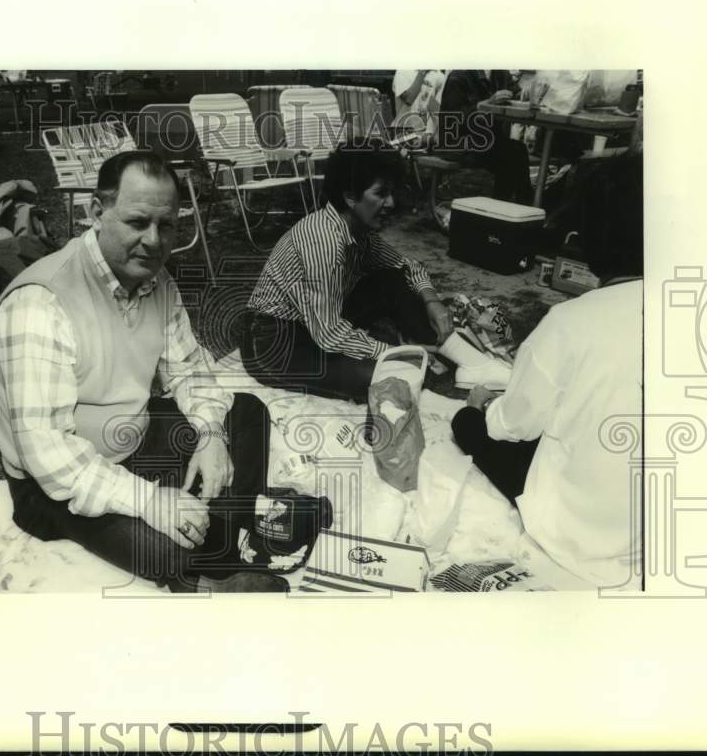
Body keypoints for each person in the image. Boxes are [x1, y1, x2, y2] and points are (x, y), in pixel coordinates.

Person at [0, 151, 275, 593]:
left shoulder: (157, 281)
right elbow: (46, 452)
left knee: (245, 413)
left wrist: (211, 437)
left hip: (132, 437)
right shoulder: (40, 300)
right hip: (51, 483)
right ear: (96, 213)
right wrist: (149, 501)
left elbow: (189, 372)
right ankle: (213, 551)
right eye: (137, 222)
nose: (154, 240)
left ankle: (218, 551)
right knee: (166, 550)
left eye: (167, 225)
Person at [451, 155, 644, 588]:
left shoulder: (570, 323)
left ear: (587, 237)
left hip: (578, 530)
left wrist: (482, 408)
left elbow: (511, 426)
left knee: (469, 425)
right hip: (655, 520)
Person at [241, 140, 512, 403]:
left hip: (315, 322)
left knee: (391, 279)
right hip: (273, 342)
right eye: (381, 194)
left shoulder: (357, 230)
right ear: (349, 196)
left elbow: (407, 266)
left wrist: (433, 301)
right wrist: (395, 353)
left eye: (391, 193)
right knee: (391, 380)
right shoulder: (323, 241)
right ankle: (428, 353)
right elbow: (330, 334)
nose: (391, 203)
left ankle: (462, 357)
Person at [437, 69, 534, 205]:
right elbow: (451, 120)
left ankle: (507, 209)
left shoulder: (500, 73)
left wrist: (528, 92)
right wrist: (487, 103)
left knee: (515, 151)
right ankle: (514, 208)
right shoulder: (459, 75)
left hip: (487, 142)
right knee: (514, 153)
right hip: (458, 143)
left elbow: (516, 93)